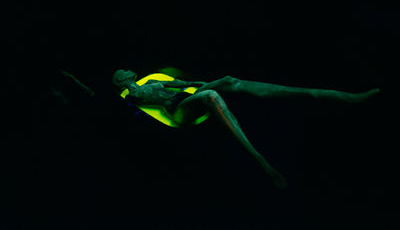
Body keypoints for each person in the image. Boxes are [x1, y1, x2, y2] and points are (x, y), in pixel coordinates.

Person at [112, 69, 380, 188]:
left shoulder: (157, 81)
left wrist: (209, 82)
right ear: (123, 83)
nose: (128, 78)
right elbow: (134, 102)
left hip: (186, 96)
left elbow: (184, 84)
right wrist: (130, 92)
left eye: (128, 75)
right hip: (180, 110)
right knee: (212, 97)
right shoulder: (133, 96)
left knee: (229, 81)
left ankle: (342, 96)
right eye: (124, 79)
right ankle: (260, 161)